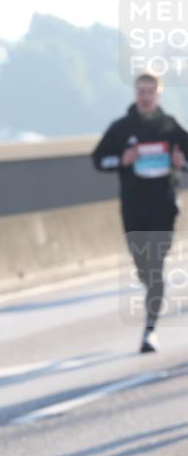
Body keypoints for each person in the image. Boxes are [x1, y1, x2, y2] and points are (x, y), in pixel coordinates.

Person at [92, 72, 188, 353]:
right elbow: (98, 160)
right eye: (141, 91)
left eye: (150, 91)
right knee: (143, 267)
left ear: (159, 94)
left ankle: (150, 330)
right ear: (135, 93)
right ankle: (149, 286)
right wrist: (122, 160)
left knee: (155, 267)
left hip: (163, 208)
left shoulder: (170, 127)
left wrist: (182, 162)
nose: (145, 97)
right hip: (134, 208)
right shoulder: (121, 128)